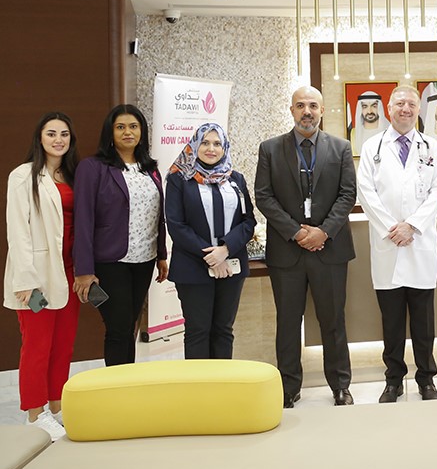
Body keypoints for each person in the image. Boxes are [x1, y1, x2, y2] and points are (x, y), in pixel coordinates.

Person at [255, 86, 357, 408]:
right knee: (287, 322)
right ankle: (288, 387)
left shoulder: (341, 148)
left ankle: (340, 385)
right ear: (292, 110)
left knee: (333, 321)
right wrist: (296, 232)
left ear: (322, 110)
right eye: (300, 105)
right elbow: (263, 197)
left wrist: (323, 232)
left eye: (313, 105)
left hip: (330, 250)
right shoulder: (270, 149)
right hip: (287, 252)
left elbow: (348, 195)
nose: (307, 111)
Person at [357, 85, 437, 403]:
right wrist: (392, 229)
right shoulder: (372, 148)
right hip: (389, 246)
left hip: (420, 245)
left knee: (424, 323)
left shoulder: (431, 147)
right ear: (389, 109)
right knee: (392, 323)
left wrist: (413, 226)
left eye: (411, 104)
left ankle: (426, 379)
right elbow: (365, 192)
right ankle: (393, 380)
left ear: (418, 109)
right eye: (399, 104)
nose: (405, 109)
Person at [72, 104, 168, 366]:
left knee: (130, 327)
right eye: (121, 127)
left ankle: (128, 381)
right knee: (117, 328)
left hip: (144, 260)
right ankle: (116, 387)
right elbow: (83, 220)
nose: (128, 132)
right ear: (110, 132)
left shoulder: (150, 169)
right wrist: (83, 270)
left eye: (134, 126)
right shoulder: (92, 168)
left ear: (142, 131)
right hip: (110, 261)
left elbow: (157, 214)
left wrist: (161, 255)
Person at [4, 113, 80, 440]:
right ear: (40, 138)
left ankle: (56, 407)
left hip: (69, 271)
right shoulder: (23, 176)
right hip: (37, 275)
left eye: (64, 134)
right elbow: (17, 230)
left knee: (62, 346)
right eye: (51, 133)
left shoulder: (73, 175)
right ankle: (35, 414)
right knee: (37, 347)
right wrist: (25, 279)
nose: (58, 140)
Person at [165, 123, 256, 359]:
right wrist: (212, 257)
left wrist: (225, 250)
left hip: (231, 266)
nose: (211, 149)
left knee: (223, 330)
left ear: (225, 148)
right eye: (205, 142)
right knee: (198, 331)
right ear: (194, 145)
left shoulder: (236, 180)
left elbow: (248, 222)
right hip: (193, 266)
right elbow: (176, 225)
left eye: (217, 143)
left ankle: (222, 382)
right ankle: (199, 384)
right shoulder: (179, 179)